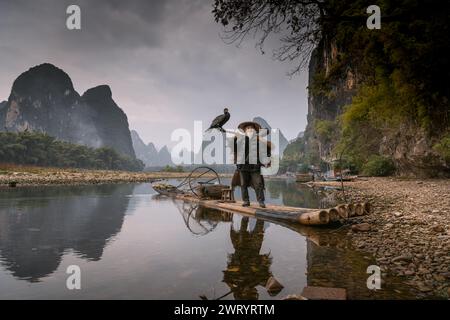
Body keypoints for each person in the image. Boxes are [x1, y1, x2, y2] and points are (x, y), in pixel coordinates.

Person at [233, 121, 271, 208]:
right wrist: (236, 138)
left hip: (255, 166)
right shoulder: (240, 140)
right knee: (243, 184)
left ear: (254, 130)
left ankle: (261, 201)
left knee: (258, 184)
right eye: (248, 128)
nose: (250, 129)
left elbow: (267, 150)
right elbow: (234, 148)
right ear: (245, 131)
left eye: (251, 128)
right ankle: (246, 201)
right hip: (243, 166)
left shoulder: (259, 141)